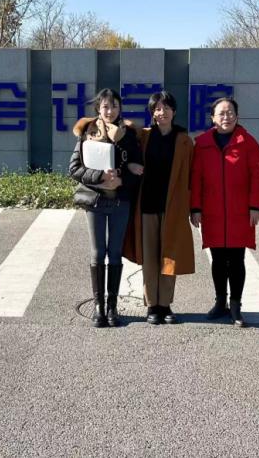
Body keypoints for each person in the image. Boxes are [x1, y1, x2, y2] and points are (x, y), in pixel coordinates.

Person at [68, 89, 143, 328]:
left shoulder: (129, 135)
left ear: (120, 109)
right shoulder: (88, 132)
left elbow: (139, 169)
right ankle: (99, 306)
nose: (110, 111)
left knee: (115, 252)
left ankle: (112, 307)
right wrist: (100, 176)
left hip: (121, 201)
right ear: (98, 109)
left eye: (114, 106)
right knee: (98, 252)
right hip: (95, 201)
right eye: (105, 107)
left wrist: (121, 180)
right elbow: (74, 169)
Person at [190, 97, 259, 328]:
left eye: (230, 112)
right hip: (212, 211)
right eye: (221, 113)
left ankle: (235, 305)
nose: (226, 117)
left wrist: (255, 206)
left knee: (236, 259)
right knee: (217, 259)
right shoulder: (202, 143)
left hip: (239, 212)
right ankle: (220, 301)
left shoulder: (247, 142)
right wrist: (195, 208)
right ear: (212, 117)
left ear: (237, 116)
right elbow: (195, 178)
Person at [123, 91, 195, 325]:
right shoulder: (143, 136)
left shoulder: (184, 141)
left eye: (165, 108)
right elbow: (121, 130)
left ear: (174, 111)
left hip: (173, 207)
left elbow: (192, 177)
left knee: (169, 256)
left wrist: (194, 208)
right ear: (152, 113)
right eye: (156, 109)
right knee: (150, 258)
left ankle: (165, 304)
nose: (161, 112)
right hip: (146, 206)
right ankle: (152, 305)